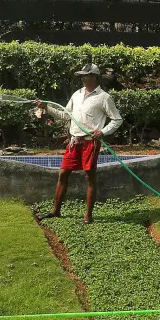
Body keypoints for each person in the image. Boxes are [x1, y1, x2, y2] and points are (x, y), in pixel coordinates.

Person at [35, 63, 123, 223]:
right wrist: (46, 108)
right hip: (74, 141)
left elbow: (117, 119)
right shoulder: (77, 94)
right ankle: (56, 211)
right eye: (82, 75)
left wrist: (102, 132)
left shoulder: (104, 97)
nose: (82, 78)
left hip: (90, 142)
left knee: (90, 177)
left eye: (86, 75)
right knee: (63, 173)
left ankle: (88, 216)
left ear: (95, 77)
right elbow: (65, 115)